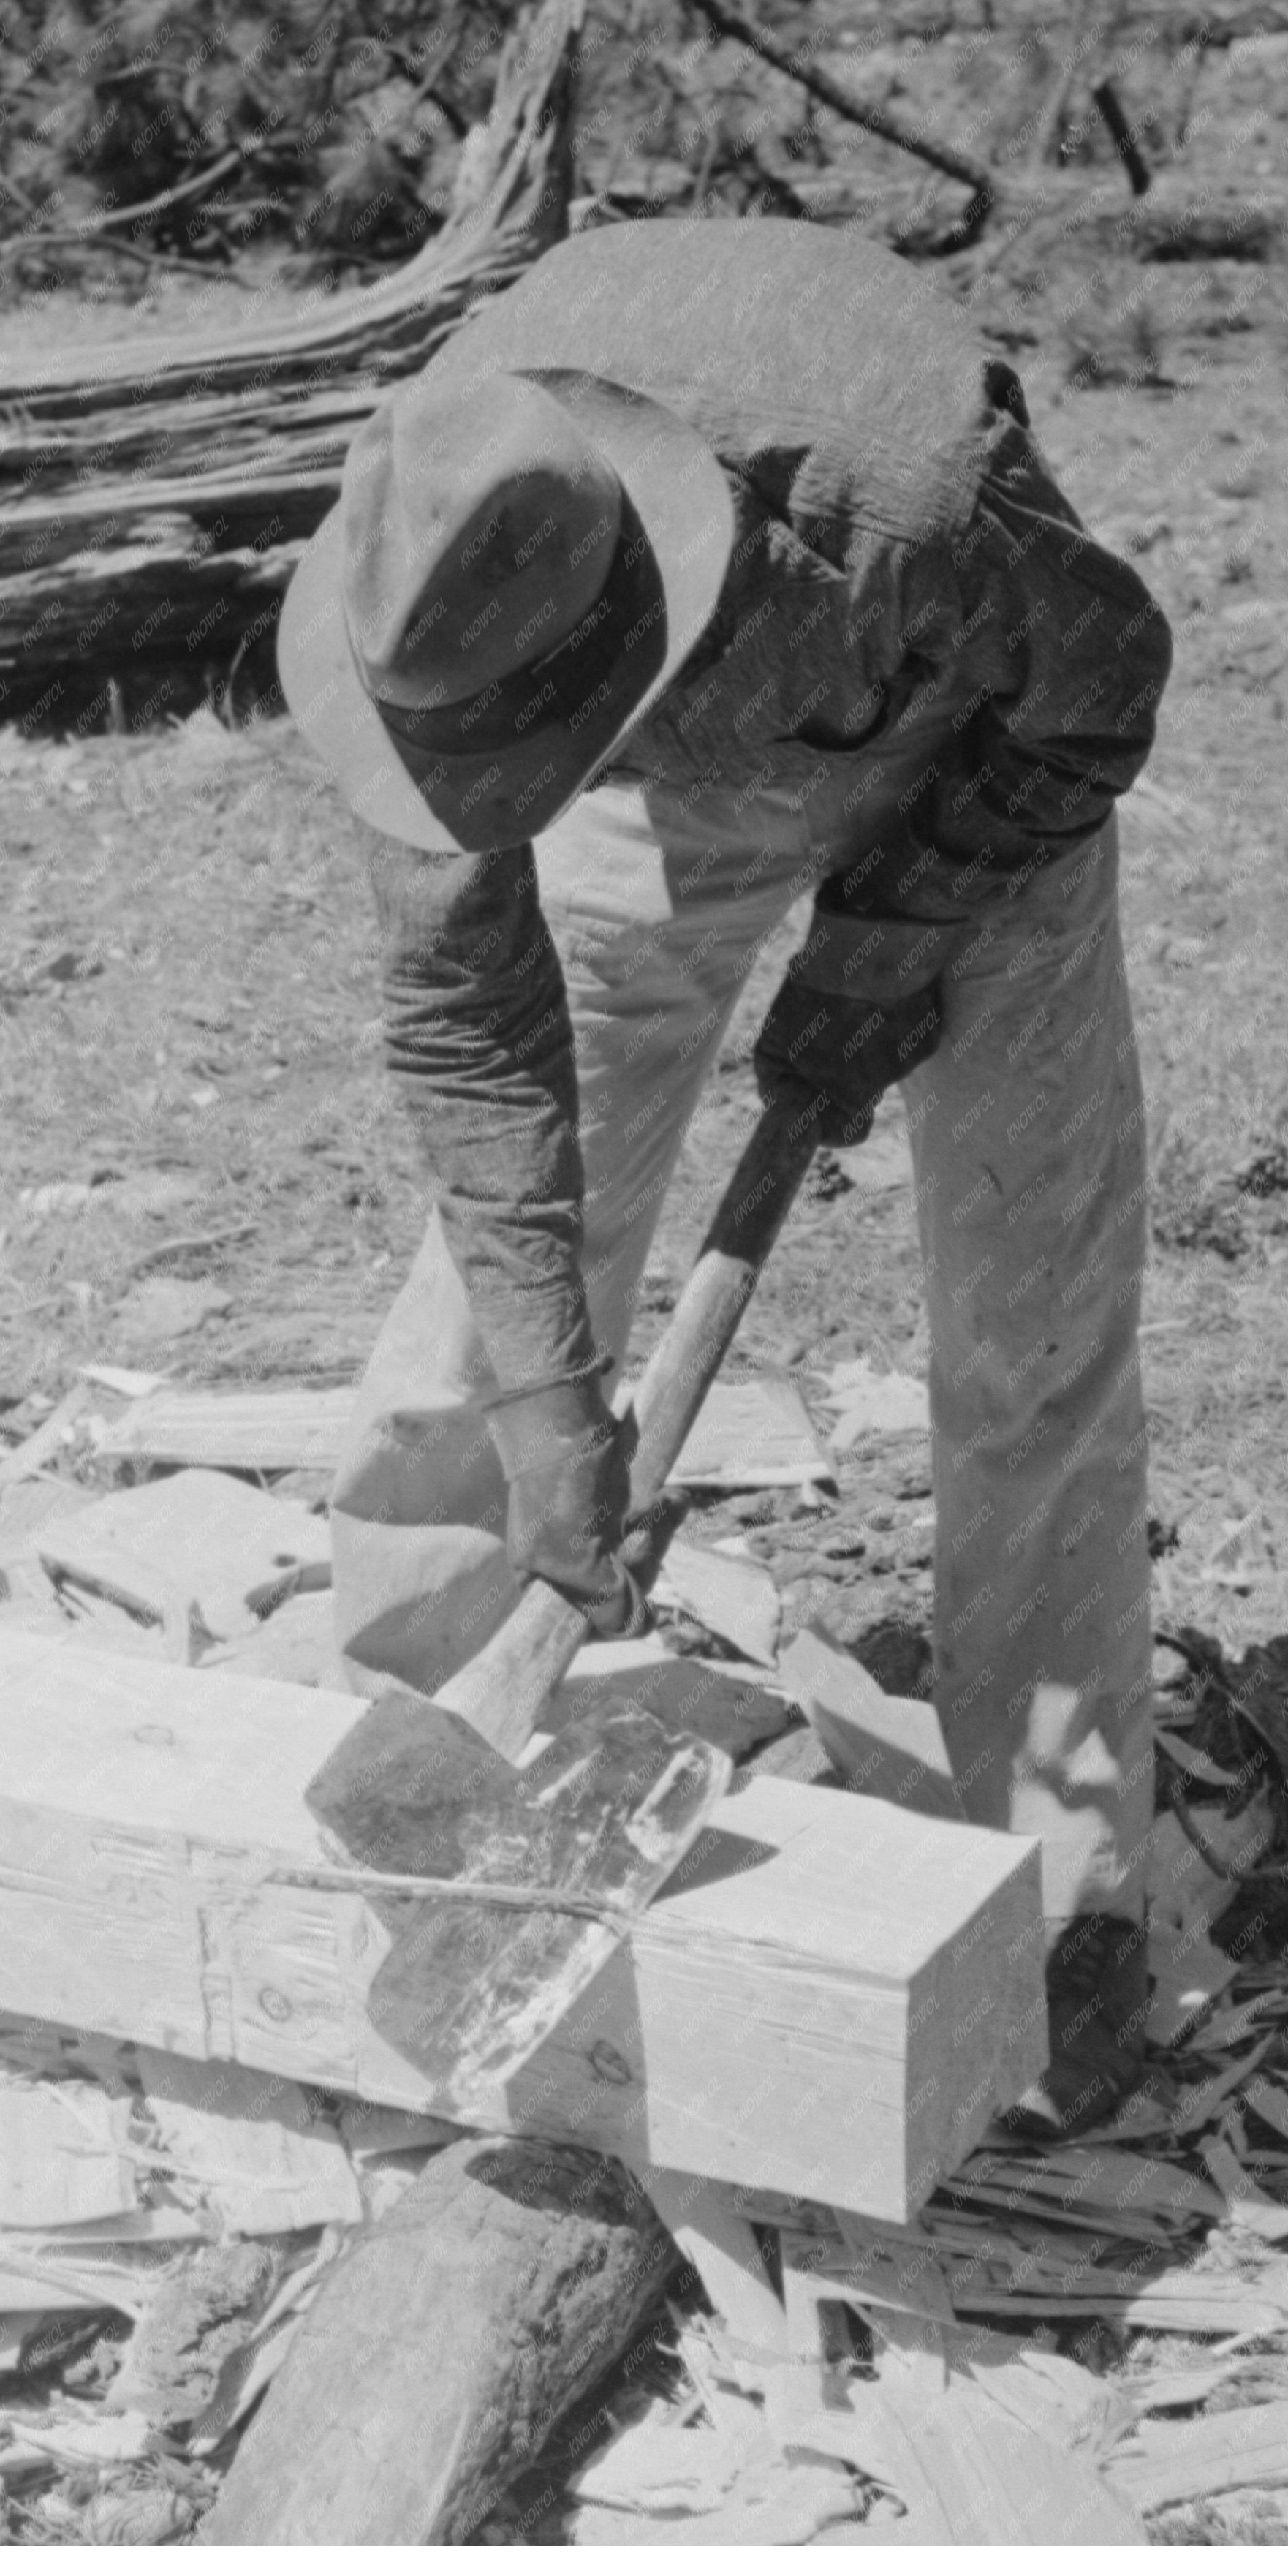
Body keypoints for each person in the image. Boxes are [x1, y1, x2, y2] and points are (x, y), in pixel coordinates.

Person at [278, 219, 1173, 2134]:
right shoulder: (425, 584)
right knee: (492, 1300)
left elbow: (1102, 681)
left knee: (1030, 1323)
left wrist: (892, 926)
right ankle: (456, 1712)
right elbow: (470, 1041)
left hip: (967, 754)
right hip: (631, 778)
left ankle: (1060, 1879)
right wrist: (553, 1402)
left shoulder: (901, 496)